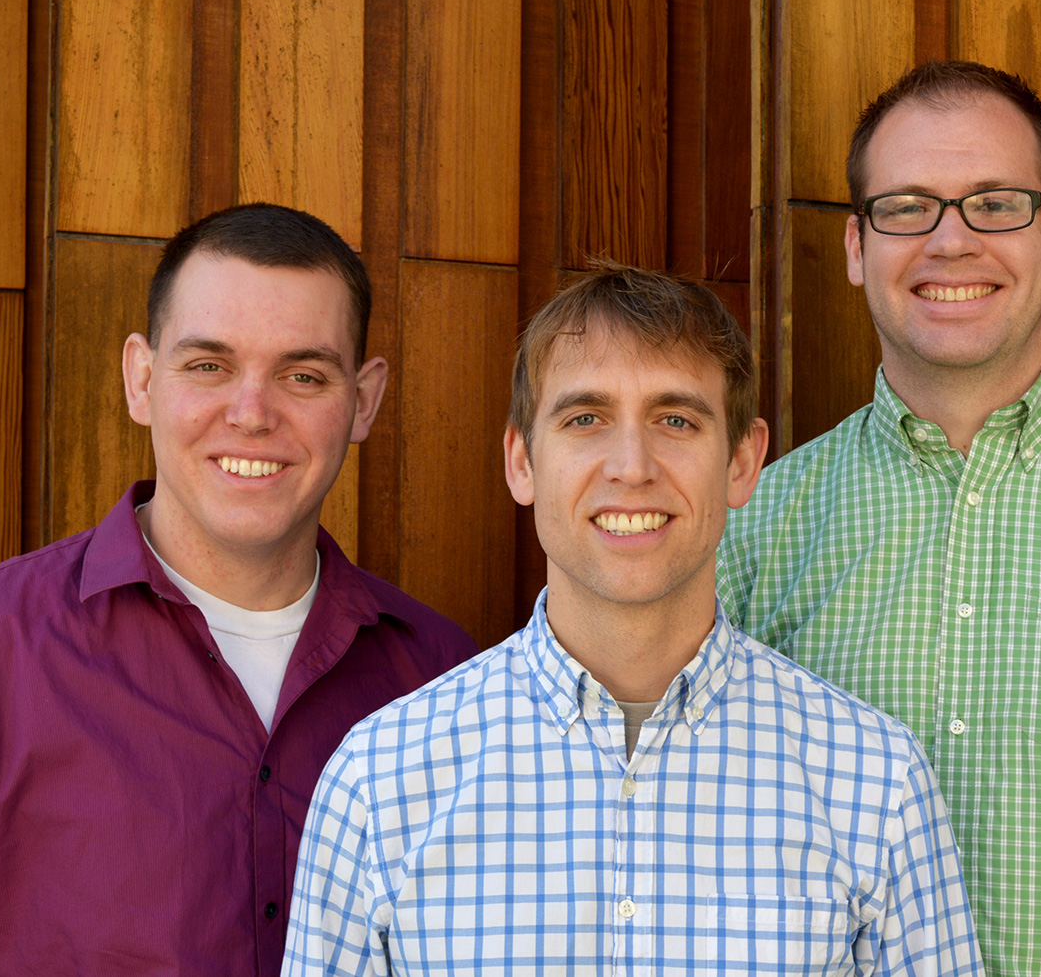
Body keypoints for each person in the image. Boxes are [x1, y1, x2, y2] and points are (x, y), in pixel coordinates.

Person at [282, 263, 984, 977]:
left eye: (675, 420)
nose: (631, 465)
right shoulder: (383, 780)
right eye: (585, 418)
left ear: (743, 461)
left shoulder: (874, 782)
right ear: (522, 461)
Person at [717, 60, 1041, 977]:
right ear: (857, 248)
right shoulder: (752, 531)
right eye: (907, 207)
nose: (951, 240)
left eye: (995, 203)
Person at [0, 203, 477, 977]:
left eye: (303, 375)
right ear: (142, 380)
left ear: (365, 400)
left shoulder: (447, 680)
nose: (251, 414)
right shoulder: (2, 648)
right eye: (208, 366)